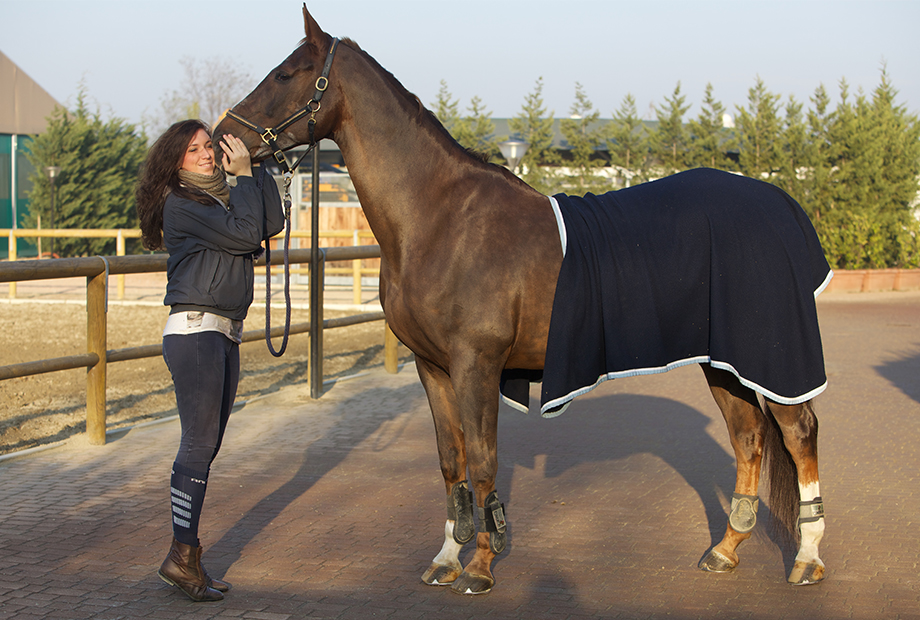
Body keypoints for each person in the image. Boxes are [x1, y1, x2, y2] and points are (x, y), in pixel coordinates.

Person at [135, 119, 284, 602]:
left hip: (223, 334)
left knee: (208, 445)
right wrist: (243, 180)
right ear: (176, 160)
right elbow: (246, 236)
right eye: (194, 149)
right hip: (196, 332)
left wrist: (254, 171)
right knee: (198, 445)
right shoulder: (181, 205)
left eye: (207, 147)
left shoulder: (220, 197)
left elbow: (271, 223)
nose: (204, 155)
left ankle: (185, 555)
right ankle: (182, 555)